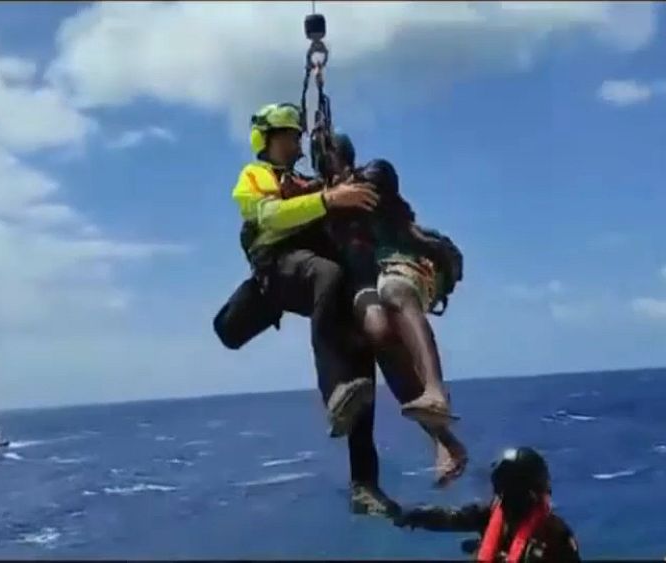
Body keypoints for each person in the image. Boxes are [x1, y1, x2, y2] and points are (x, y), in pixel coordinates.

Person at [215, 102, 397, 515]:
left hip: (308, 274)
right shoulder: (255, 176)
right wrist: (331, 198)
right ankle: (332, 392)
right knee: (328, 275)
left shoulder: (307, 182)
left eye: (296, 136)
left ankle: (364, 485)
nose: (294, 142)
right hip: (277, 268)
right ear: (266, 139)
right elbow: (271, 216)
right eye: (287, 135)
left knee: (359, 349)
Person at [312, 132, 469, 485]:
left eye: (332, 159)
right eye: (322, 164)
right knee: (380, 334)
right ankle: (446, 442)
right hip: (371, 280)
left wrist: (338, 191)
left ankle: (435, 390)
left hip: (414, 260)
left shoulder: (373, 176)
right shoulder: (325, 202)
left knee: (395, 291)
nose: (329, 169)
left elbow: (374, 184)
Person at [394, 447, 581, 563]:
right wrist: (413, 514)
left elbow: (452, 517)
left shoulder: (554, 533)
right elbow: (449, 517)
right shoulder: (491, 516)